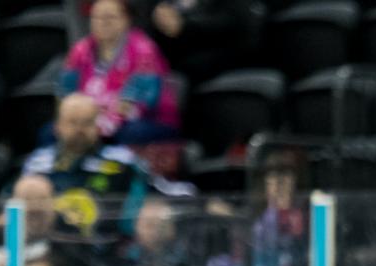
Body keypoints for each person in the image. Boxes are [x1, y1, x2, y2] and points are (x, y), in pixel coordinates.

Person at [22, 94, 188, 239]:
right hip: (52, 249)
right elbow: (8, 206)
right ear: (57, 127)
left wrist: (200, 201)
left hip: (110, 250)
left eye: (87, 123)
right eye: (73, 122)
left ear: (98, 126)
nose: (80, 130)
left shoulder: (122, 162)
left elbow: (163, 190)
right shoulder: (37, 164)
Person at [58, 0, 180, 145]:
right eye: (97, 17)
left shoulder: (144, 50)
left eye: (110, 17)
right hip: (91, 121)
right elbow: (66, 93)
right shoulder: (80, 50)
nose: (103, 23)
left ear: (126, 20)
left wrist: (101, 122)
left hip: (147, 121)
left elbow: (141, 102)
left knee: (128, 133)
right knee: (51, 133)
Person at [146, 0, 256, 85]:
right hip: (194, 43)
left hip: (229, 50)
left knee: (185, 67)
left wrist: (184, 25)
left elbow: (230, 21)